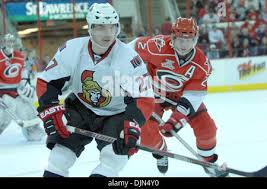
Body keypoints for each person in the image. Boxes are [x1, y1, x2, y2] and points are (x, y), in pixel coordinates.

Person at [36, 3, 155, 177]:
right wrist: (49, 109)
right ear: (90, 28)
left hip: (116, 113)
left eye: (112, 27)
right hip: (81, 107)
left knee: (114, 159)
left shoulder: (129, 58)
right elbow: (48, 82)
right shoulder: (72, 49)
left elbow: (143, 98)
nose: (108, 33)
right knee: (59, 158)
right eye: (100, 27)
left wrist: (133, 123)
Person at [129, 17, 227, 177]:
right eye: (180, 39)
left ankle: (208, 160)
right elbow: (129, 49)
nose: (184, 45)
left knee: (207, 129)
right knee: (146, 136)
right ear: (173, 37)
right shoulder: (156, 46)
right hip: (155, 95)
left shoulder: (202, 63)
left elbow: (194, 95)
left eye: (189, 40)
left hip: (181, 97)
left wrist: (177, 119)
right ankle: (161, 152)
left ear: (195, 39)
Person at [0, 33, 44, 141]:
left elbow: (24, 71)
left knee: (36, 135)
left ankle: (32, 128)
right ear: (3, 43)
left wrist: (25, 83)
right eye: (8, 41)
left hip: (17, 92)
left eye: (12, 42)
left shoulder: (19, 56)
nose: (11, 44)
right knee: (4, 115)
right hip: (2, 94)